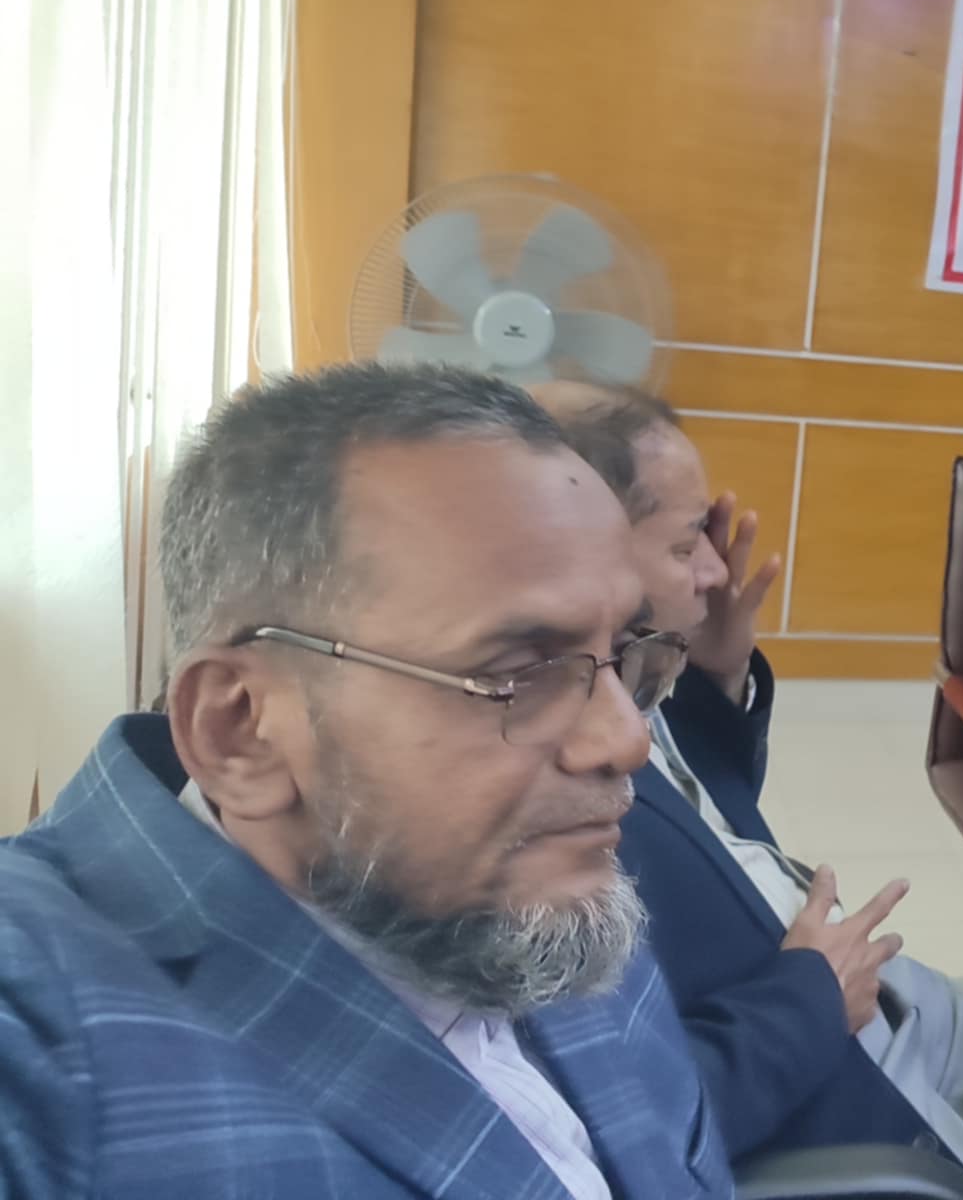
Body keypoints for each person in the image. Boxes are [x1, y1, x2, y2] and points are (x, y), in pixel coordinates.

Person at [0, 364, 731, 1199]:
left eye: (626, 652)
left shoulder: (553, 904)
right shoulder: (40, 1044)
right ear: (242, 731)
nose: (625, 739)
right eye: (519, 672)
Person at [538, 383, 963, 1200]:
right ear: (582, 554)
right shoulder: (537, 788)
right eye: (686, 544)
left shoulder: (635, 664)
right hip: (800, 1048)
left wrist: (716, 675)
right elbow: (621, 1113)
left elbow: (713, 826)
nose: (715, 570)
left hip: (827, 984)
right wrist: (805, 1004)